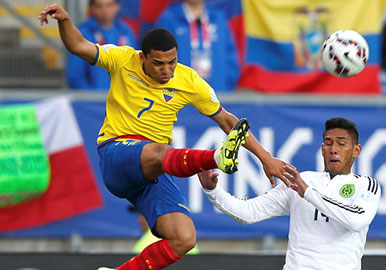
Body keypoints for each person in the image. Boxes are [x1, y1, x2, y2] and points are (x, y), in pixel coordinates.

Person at [39, 4, 288, 270]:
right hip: (117, 154)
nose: (166, 70)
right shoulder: (122, 59)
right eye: (158, 63)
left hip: (153, 171)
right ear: (142, 57)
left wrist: (265, 156)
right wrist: (65, 21)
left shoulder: (189, 81)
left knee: (184, 237)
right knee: (158, 150)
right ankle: (216, 157)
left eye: (172, 62)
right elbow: (78, 45)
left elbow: (228, 120)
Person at [198, 117, 381, 270]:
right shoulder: (301, 180)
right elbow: (248, 212)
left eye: (342, 144)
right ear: (322, 148)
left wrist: (308, 193)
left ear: (356, 151)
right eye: (328, 143)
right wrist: (212, 190)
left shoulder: (365, 185)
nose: (334, 149)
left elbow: (356, 221)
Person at [155, 0, 240, 92]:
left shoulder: (218, 18)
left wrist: (226, 85)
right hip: (182, 95)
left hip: (218, 93)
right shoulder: (169, 18)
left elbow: (230, 55)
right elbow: (157, 56)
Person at [66, 0, 136, 90]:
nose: (105, 11)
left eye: (109, 5)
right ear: (92, 8)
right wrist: (90, 99)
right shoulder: (83, 33)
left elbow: (135, 67)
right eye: (99, 6)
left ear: (117, 7)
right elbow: (75, 75)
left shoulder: (126, 32)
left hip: (122, 101)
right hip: (94, 100)